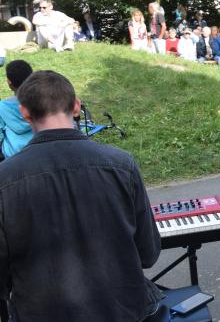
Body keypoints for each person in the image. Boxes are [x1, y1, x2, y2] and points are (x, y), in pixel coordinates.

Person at [0, 71, 161, 320]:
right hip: (121, 311)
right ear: (76, 106)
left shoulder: (4, 178)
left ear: (25, 112)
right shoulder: (121, 164)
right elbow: (148, 253)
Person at [0, 60, 33, 159]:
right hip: (41, 153)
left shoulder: (2, 107)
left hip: (13, 158)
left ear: (10, 83)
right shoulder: (43, 101)